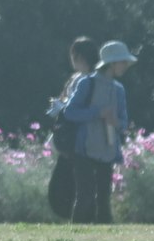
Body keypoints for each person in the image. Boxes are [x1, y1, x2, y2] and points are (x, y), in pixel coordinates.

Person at [63, 41, 135, 223]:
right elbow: (70, 112)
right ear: (111, 63)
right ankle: (75, 236)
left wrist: (115, 122)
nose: (125, 66)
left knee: (103, 198)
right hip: (84, 149)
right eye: (122, 62)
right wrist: (97, 113)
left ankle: (105, 239)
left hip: (107, 150)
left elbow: (123, 123)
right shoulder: (87, 84)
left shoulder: (119, 90)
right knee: (85, 195)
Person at [42, 36, 96, 219]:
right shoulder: (75, 79)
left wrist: (64, 108)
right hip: (67, 135)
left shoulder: (92, 80)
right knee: (64, 182)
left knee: (79, 183)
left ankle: (81, 217)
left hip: (80, 138)